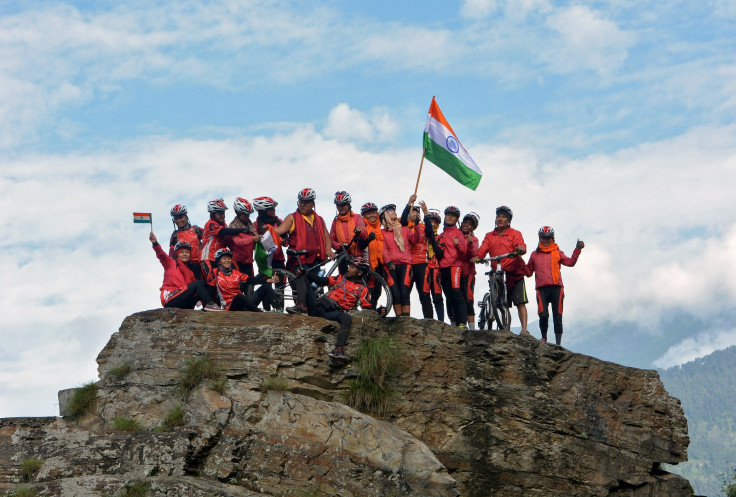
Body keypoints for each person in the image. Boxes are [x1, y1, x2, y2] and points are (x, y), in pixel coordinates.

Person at [295, 256, 381, 365]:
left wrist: (379, 311)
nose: (348, 268)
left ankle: (338, 350)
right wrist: (306, 272)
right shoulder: (339, 278)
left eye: (352, 267)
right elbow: (322, 281)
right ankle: (300, 306)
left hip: (331, 313)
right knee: (302, 276)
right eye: (349, 266)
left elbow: (367, 307)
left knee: (347, 318)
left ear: (359, 273)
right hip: (317, 306)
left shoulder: (362, 290)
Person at [275, 188, 334, 313]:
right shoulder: (292, 218)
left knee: (315, 287)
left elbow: (326, 236)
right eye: (300, 202)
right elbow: (279, 230)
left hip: (316, 260)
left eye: (306, 202)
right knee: (300, 284)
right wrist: (268, 230)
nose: (302, 205)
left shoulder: (319, 219)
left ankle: (314, 310)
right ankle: (300, 306)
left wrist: (328, 249)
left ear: (313, 203)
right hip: (299, 259)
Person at [524, 226, 584, 345]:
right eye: (543, 238)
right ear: (539, 238)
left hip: (557, 287)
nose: (546, 241)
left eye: (548, 238)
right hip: (541, 288)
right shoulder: (534, 255)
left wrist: (577, 249)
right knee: (543, 314)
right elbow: (528, 273)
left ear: (553, 239)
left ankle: (558, 344)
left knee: (557, 315)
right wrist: (519, 262)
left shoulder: (557, 252)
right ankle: (544, 338)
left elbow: (570, 263)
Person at [473, 206, 529, 334]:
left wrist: (520, 248)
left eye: (503, 217)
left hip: (514, 272)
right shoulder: (489, 235)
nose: (500, 219)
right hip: (497, 271)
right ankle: (505, 330)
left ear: (508, 220)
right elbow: (482, 250)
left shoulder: (515, 233)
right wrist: (477, 257)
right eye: (498, 216)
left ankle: (524, 329)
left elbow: (521, 245)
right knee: (502, 305)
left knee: (520, 302)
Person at [149, 232, 222, 311]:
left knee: (206, 283)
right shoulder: (170, 263)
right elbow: (161, 254)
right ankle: (211, 304)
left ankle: (207, 307)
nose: (185, 254)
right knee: (197, 284)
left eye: (187, 252)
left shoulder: (190, 272)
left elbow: (198, 290)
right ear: (177, 254)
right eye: (182, 252)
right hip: (170, 298)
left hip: (184, 302)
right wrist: (155, 243)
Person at [200, 198, 255, 287]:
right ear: (213, 214)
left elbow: (230, 242)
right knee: (212, 282)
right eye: (219, 213)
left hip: (219, 258)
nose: (222, 215)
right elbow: (224, 232)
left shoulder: (224, 225)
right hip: (207, 258)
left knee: (224, 281)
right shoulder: (210, 223)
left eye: (223, 213)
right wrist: (243, 230)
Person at [432, 206, 468, 327]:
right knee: (448, 296)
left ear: (457, 219)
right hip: (443, 267)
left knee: (457, 293)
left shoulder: (459, 233)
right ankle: (454, 323)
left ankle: (463, 322)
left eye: (453, 215)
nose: (450, 217)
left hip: (455, 266)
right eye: (448, 215)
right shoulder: (441, 234)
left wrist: (458, 245)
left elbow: (463, 253)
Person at [211, 248, 281, 312]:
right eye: (224, 259)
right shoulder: (215, 272)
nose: (227, 260)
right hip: (231, 306)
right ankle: (260, 313)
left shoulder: (236, 273)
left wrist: (269, 280)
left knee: (266, 286)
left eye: (229, 258)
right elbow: (209, 287)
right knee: (239, 296)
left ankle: (278, 309)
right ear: (219, 261)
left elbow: (250, 280)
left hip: (245, 303)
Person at [380, 203, 418, 317]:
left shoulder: (405, 229)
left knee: (405, 293)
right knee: (395, 294)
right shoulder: (382, 233)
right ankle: (399, 319)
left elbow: (416, 240)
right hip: (390, 266)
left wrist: (416, 225)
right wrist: (388, 261)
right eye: (391, 210)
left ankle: (406, 320)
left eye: (394, 210)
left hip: (405, 264)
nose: (394, 212)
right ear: (384, 215)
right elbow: (383, 249)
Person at [400, 194, 433, 319]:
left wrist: (426, 214)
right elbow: (403, 220)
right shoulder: (403, 227)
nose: (414, 214)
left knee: (424, 294)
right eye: (412, 212)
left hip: (421, 264)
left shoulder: (424, 227)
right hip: (407, 263)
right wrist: (409, 203)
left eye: (416, 212)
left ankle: (429, 322)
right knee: (405, 293)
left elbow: (430, 233)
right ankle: (404, 319)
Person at [419, 203, 445, 321]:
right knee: (424, 295)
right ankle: (428, 320)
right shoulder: (421, 236)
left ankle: (440, 321)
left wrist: (432, 238)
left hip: (435, 268)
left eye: (436, 222)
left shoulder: (440, 237)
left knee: (437, 296)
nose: (433, 224)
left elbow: (440, 253)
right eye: (431, 221)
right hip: (423, 267)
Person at [224, 197, 261, 278]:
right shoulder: (233, 226)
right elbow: (238, 242)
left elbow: (255, 241)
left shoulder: (250, 224)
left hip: (249, 261)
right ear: (238, 213)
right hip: (237, 261)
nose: (247, 216)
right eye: (245, 214)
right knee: (239, 286)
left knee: (250, 287)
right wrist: (252, 239)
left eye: (249, 214)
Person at [168, 204, 205, 280]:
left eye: (180, 217)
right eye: (176, 218)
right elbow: (171, 255)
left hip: (200, 265)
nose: (178, 221)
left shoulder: (196, 229)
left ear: (186, 217)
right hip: (184, 267)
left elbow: (210, 238)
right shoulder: (175, 235)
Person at [330, 191, 368, 259]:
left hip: (357, 256)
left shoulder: (357, 217)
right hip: (342, 256)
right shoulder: (335, 222)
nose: (341, 207)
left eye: (343, 205)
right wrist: (340, 245)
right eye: (338, 205)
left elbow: (364, 233)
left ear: (348, 205)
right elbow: (331, 240)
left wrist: (359, 232)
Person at [360, 202, 385, 308]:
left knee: (377, 290)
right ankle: (367, 312)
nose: (372, 215)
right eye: (368, 213)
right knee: (366, 290)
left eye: (374, 212)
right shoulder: (362, 227)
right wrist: (368, 239)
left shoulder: (382, 227)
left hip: (380, 263)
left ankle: (372, 311)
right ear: (364, 216)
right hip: (366, 262)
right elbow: (360, 245)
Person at [460, 211, 480, 329]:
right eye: (465, 222)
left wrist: (470, 242)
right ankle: (460, 324)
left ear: (473, 227)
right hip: (455, 271)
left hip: (468, 272)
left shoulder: (474, 239)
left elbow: (473, 254)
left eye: (470, 224)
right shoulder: (455, 235)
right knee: (458, 298)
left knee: (468, 298)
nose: (466, 225)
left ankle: (472, 329)